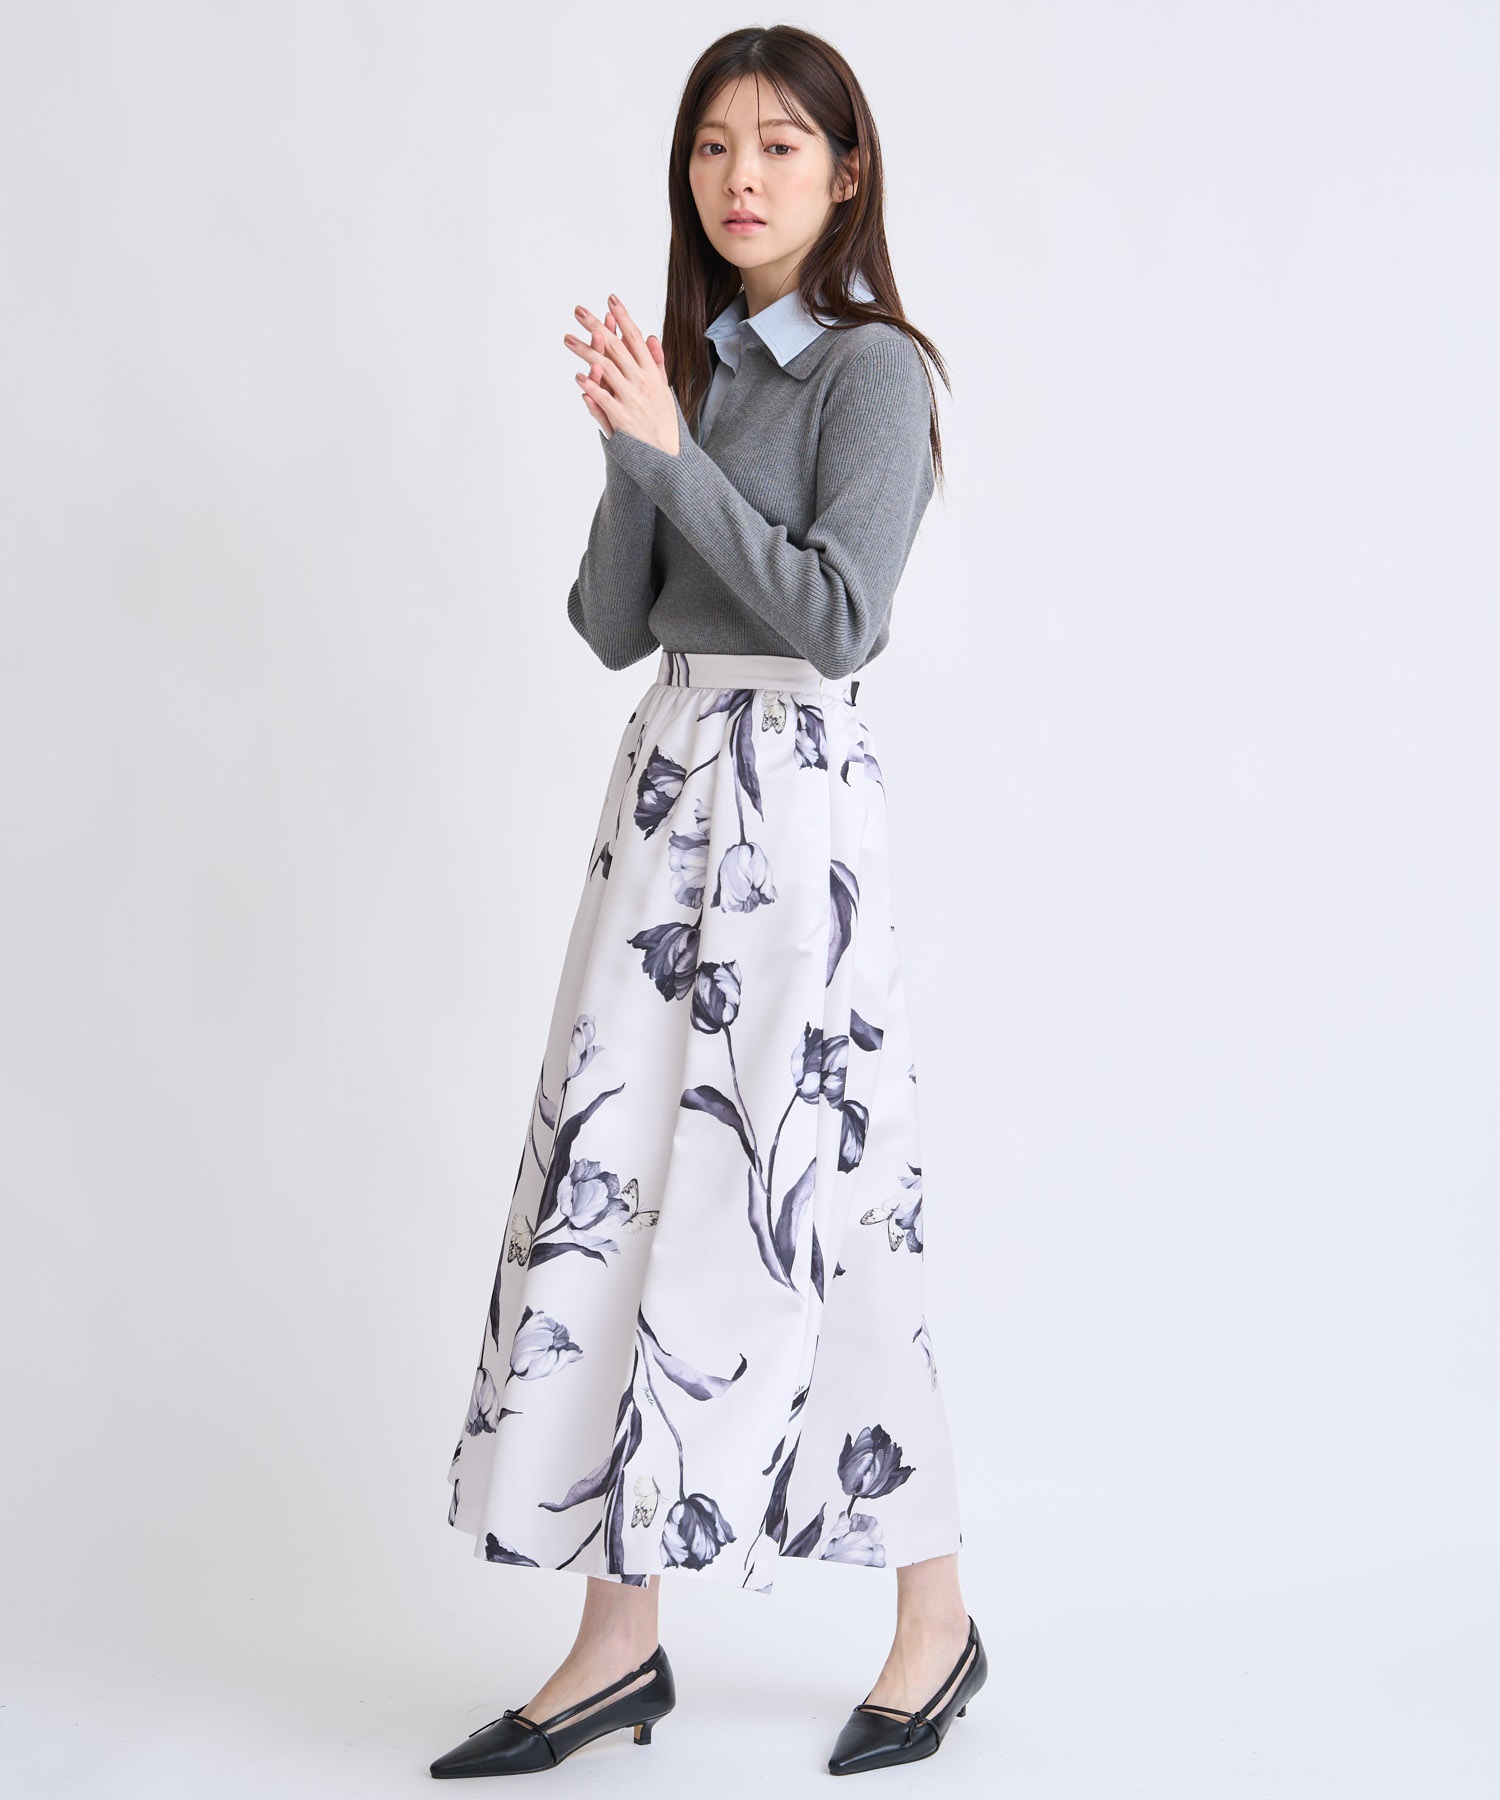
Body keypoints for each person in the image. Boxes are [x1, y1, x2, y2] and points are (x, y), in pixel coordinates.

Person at [430, 25, 986, 1780]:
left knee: (818, 1199)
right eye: (714, 147)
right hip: (667, 799)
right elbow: (612, 625)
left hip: (790, 813)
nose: (742, 177)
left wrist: (675, 453)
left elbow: (835, 619)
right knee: (618, 1185)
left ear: (846, 171)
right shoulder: (704, 364)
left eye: (781, 145)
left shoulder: (872, 373)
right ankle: (617, 1642)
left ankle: (933, 1621)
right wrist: (637, 440)